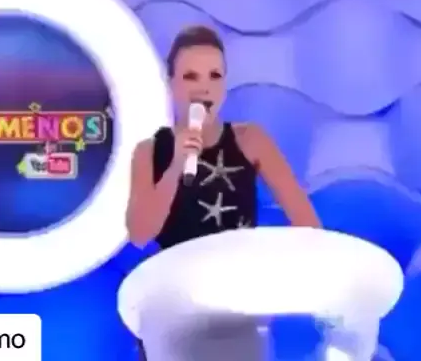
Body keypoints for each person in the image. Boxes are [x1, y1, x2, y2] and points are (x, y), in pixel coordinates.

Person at [125, 26, 321, 360]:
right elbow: (140, 233)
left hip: (236, 312)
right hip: (172, 313)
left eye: (214, 76)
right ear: (171, 84)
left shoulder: (251, 140)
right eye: (190, 76)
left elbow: (308, 225)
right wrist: (175, 166)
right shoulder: (149, 152)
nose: (203, 87)